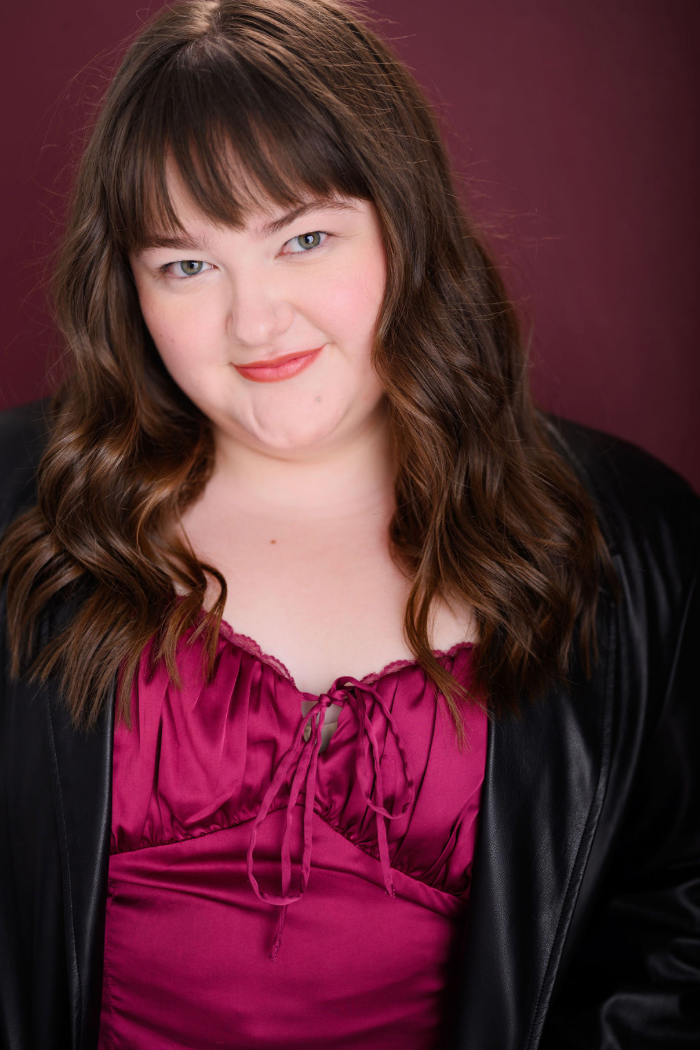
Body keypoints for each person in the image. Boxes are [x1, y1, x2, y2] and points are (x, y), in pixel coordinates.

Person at [0, 0, 698, 1047]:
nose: (254, 322)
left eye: (304, 239)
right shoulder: (15, 505)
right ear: (128, 286)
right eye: (186, 264)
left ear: (405, 228)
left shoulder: (632, 540)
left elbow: (677, 922)